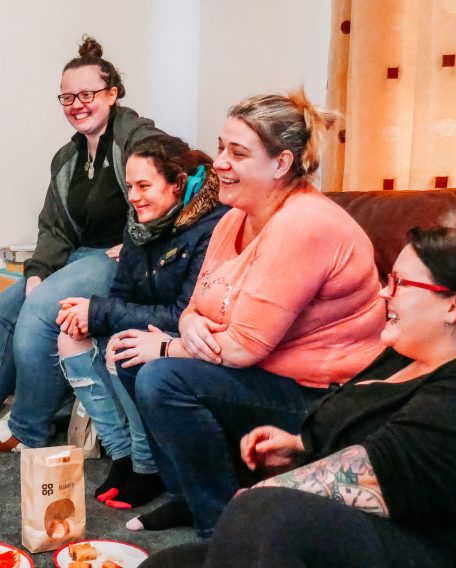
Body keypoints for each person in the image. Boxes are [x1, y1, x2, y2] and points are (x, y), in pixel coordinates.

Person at [141, 226, 456, 567]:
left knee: (265, 514)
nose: (383, 293)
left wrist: (266, 493)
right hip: (354, 533)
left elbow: (394, 467)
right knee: (167, 563)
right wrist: (300, 445)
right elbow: (361, 429)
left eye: (399, 284)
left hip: (437, 549)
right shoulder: (401, 355)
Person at [121, 89, 386, 535]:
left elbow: (243, 347)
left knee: (159, 374)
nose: (219, 162)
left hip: (322, 394)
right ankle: (189, 495)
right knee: (131, 356)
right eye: (222, 147)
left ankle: (221, 526)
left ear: (281, 164)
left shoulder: (304, 224)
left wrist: (169, 345)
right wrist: (185, 326)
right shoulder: (235, 217)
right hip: (269, 370)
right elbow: (195, 306)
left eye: (237, 153)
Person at [0, 35, 163, 452]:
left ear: (113, 93)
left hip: (122, 258)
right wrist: (38, 271)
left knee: (45, 308)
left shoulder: (139, 140)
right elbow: (53, 227)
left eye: (87, 94)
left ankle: (26, 430)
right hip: (82, 256)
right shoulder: (67, 158)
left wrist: (138, 238)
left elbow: (172, 194)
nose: (77, 105)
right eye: (67, 97)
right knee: (13, 300)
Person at [55, 134, 226, 509]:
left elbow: (187, 312)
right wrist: (89, 317)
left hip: (184, 338)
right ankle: (123, 455)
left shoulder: (212, 228)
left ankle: (146, 466)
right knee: (70, 337)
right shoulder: (139, 224)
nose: (133, 196)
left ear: (178, 183)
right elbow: (120, 296)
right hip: (144, 326)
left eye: (144, 186)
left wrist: (100, 312)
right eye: (130, 186)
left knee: (123, 343)